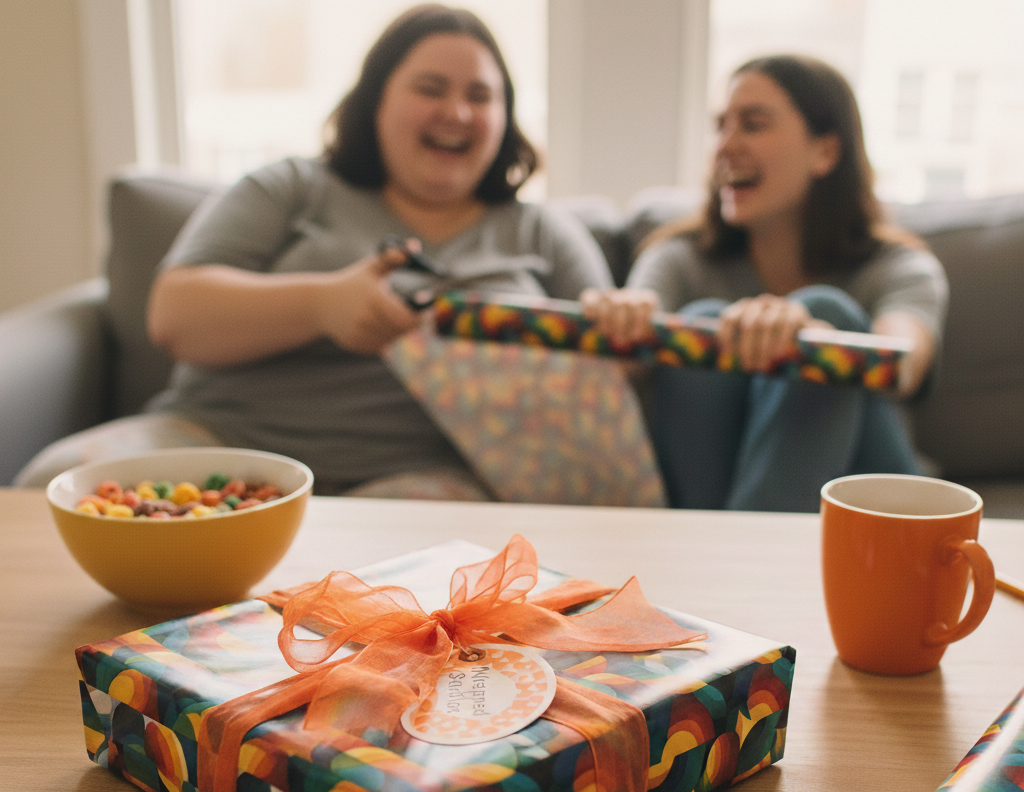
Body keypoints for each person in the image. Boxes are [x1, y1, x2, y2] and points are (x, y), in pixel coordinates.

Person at [16, 4, 613, 497]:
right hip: (217, 440)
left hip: (413, 477)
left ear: (505, 119)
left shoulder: (544, 234)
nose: (456, 111)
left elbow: (614, 389)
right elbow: (174, 315)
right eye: (430, 88)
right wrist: (323, 305)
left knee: (410, 561)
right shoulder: (289, 188)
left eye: (481, 96)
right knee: (55, 485)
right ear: (376, 102)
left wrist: (625, 332)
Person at [583, 55, 948, 513]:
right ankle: (739, 562)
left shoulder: (898, 264)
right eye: (720, 127)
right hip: (717, 502)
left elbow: (903, 362)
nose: (725, 146)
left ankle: (728, 566)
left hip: (880, 515)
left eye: (753, 125)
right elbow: (623, 367)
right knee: (700, 322)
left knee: (827, 314)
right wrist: (615, 327)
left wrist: (814, 344)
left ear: (826, 152)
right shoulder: (676, 259)